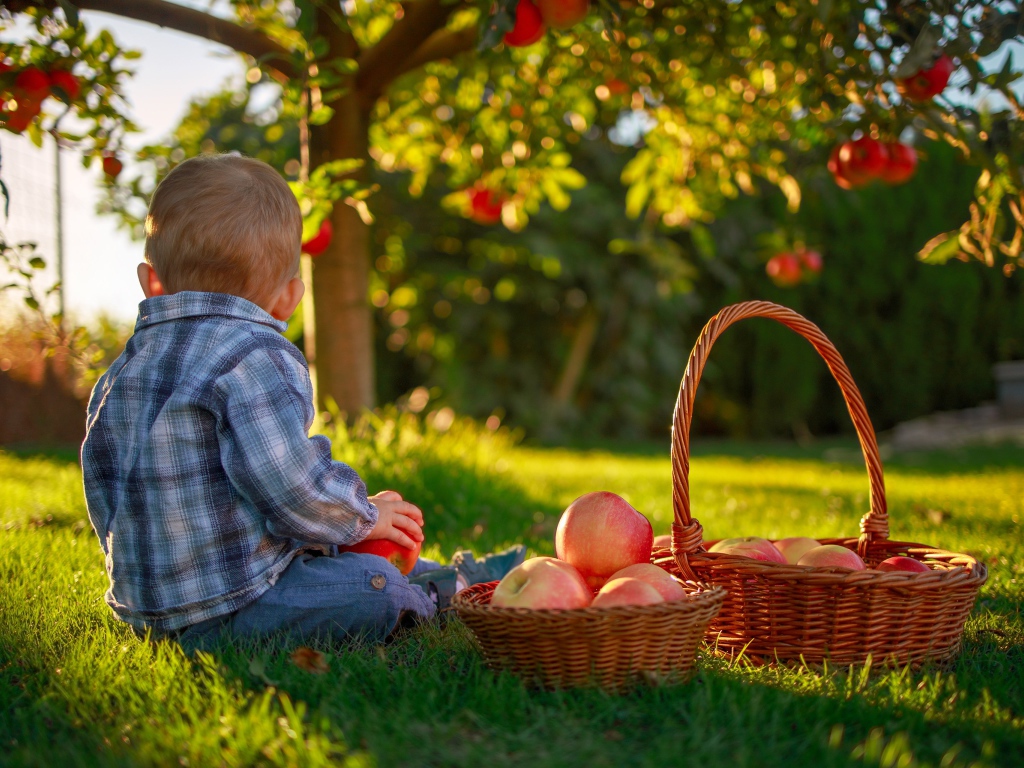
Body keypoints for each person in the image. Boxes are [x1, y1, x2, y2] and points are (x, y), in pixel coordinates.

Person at [80, 154, 523, 650]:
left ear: (151, 282)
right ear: (288, 299)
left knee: (336, 550)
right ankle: (447, 594)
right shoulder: (253, 356)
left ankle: (446, 573)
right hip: (237, 606)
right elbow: (291, 488)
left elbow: (102, 490)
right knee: (369, 589)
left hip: (144, 612)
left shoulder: (120, 374)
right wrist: (365, 516)